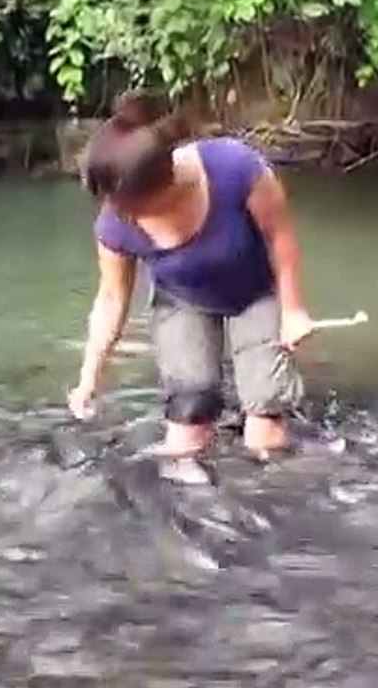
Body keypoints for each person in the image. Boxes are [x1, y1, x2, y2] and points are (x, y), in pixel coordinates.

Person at [68, 92, 315, 480]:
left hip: (254, 292)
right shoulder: (115, 222)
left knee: (264, 434)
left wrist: (294, 310)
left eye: (132, 208)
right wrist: (89, 377)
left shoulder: (233, 168)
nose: (121, 215)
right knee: (187, 430)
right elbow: (111, 299)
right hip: (183, 300)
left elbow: (281, 237)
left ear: (165, 186)